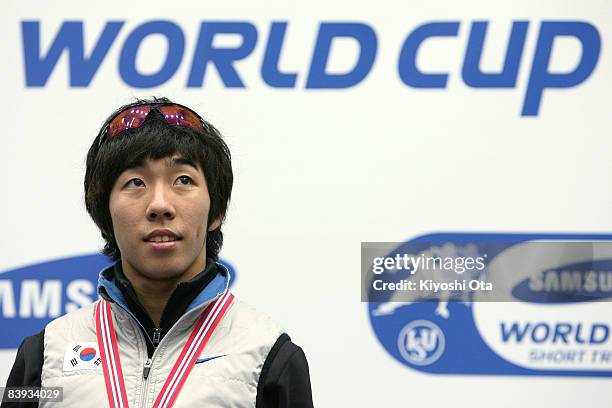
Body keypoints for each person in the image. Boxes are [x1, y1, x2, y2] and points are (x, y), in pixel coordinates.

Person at [1, 98, 314, 408]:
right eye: (136, 182)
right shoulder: (44, 358)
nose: (160, 205)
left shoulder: (269, 357)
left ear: (216, 211)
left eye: (183, 180)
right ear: (104, 214)